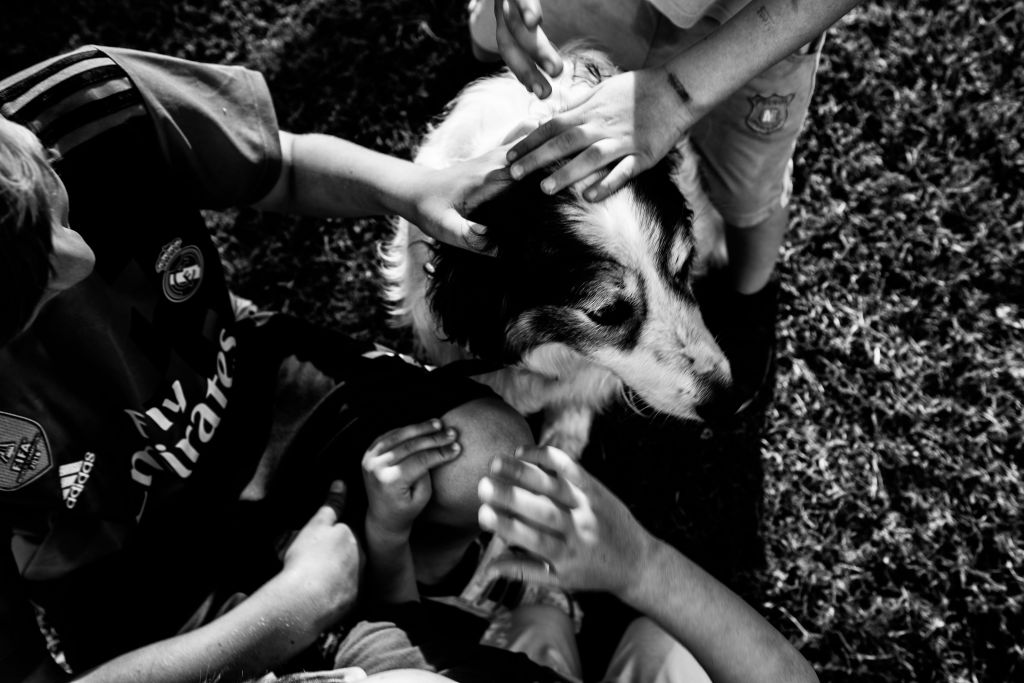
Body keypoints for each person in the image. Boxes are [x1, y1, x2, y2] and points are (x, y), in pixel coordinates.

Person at [0, 44, 511, 682]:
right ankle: (396, 609)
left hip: (255, 397)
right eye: (39, 284)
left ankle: (403, 588)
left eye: (52, 203)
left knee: (491, 457)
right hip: (124, 574)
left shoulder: (86, 104)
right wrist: (293, 608)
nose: (82, 260)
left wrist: (410, 190)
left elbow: (281, 166)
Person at [469, 0, 861, 406]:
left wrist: (677, 95)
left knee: (748, 194)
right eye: (609, 312)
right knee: (488, 43)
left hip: (761, 24)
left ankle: (750, 296)